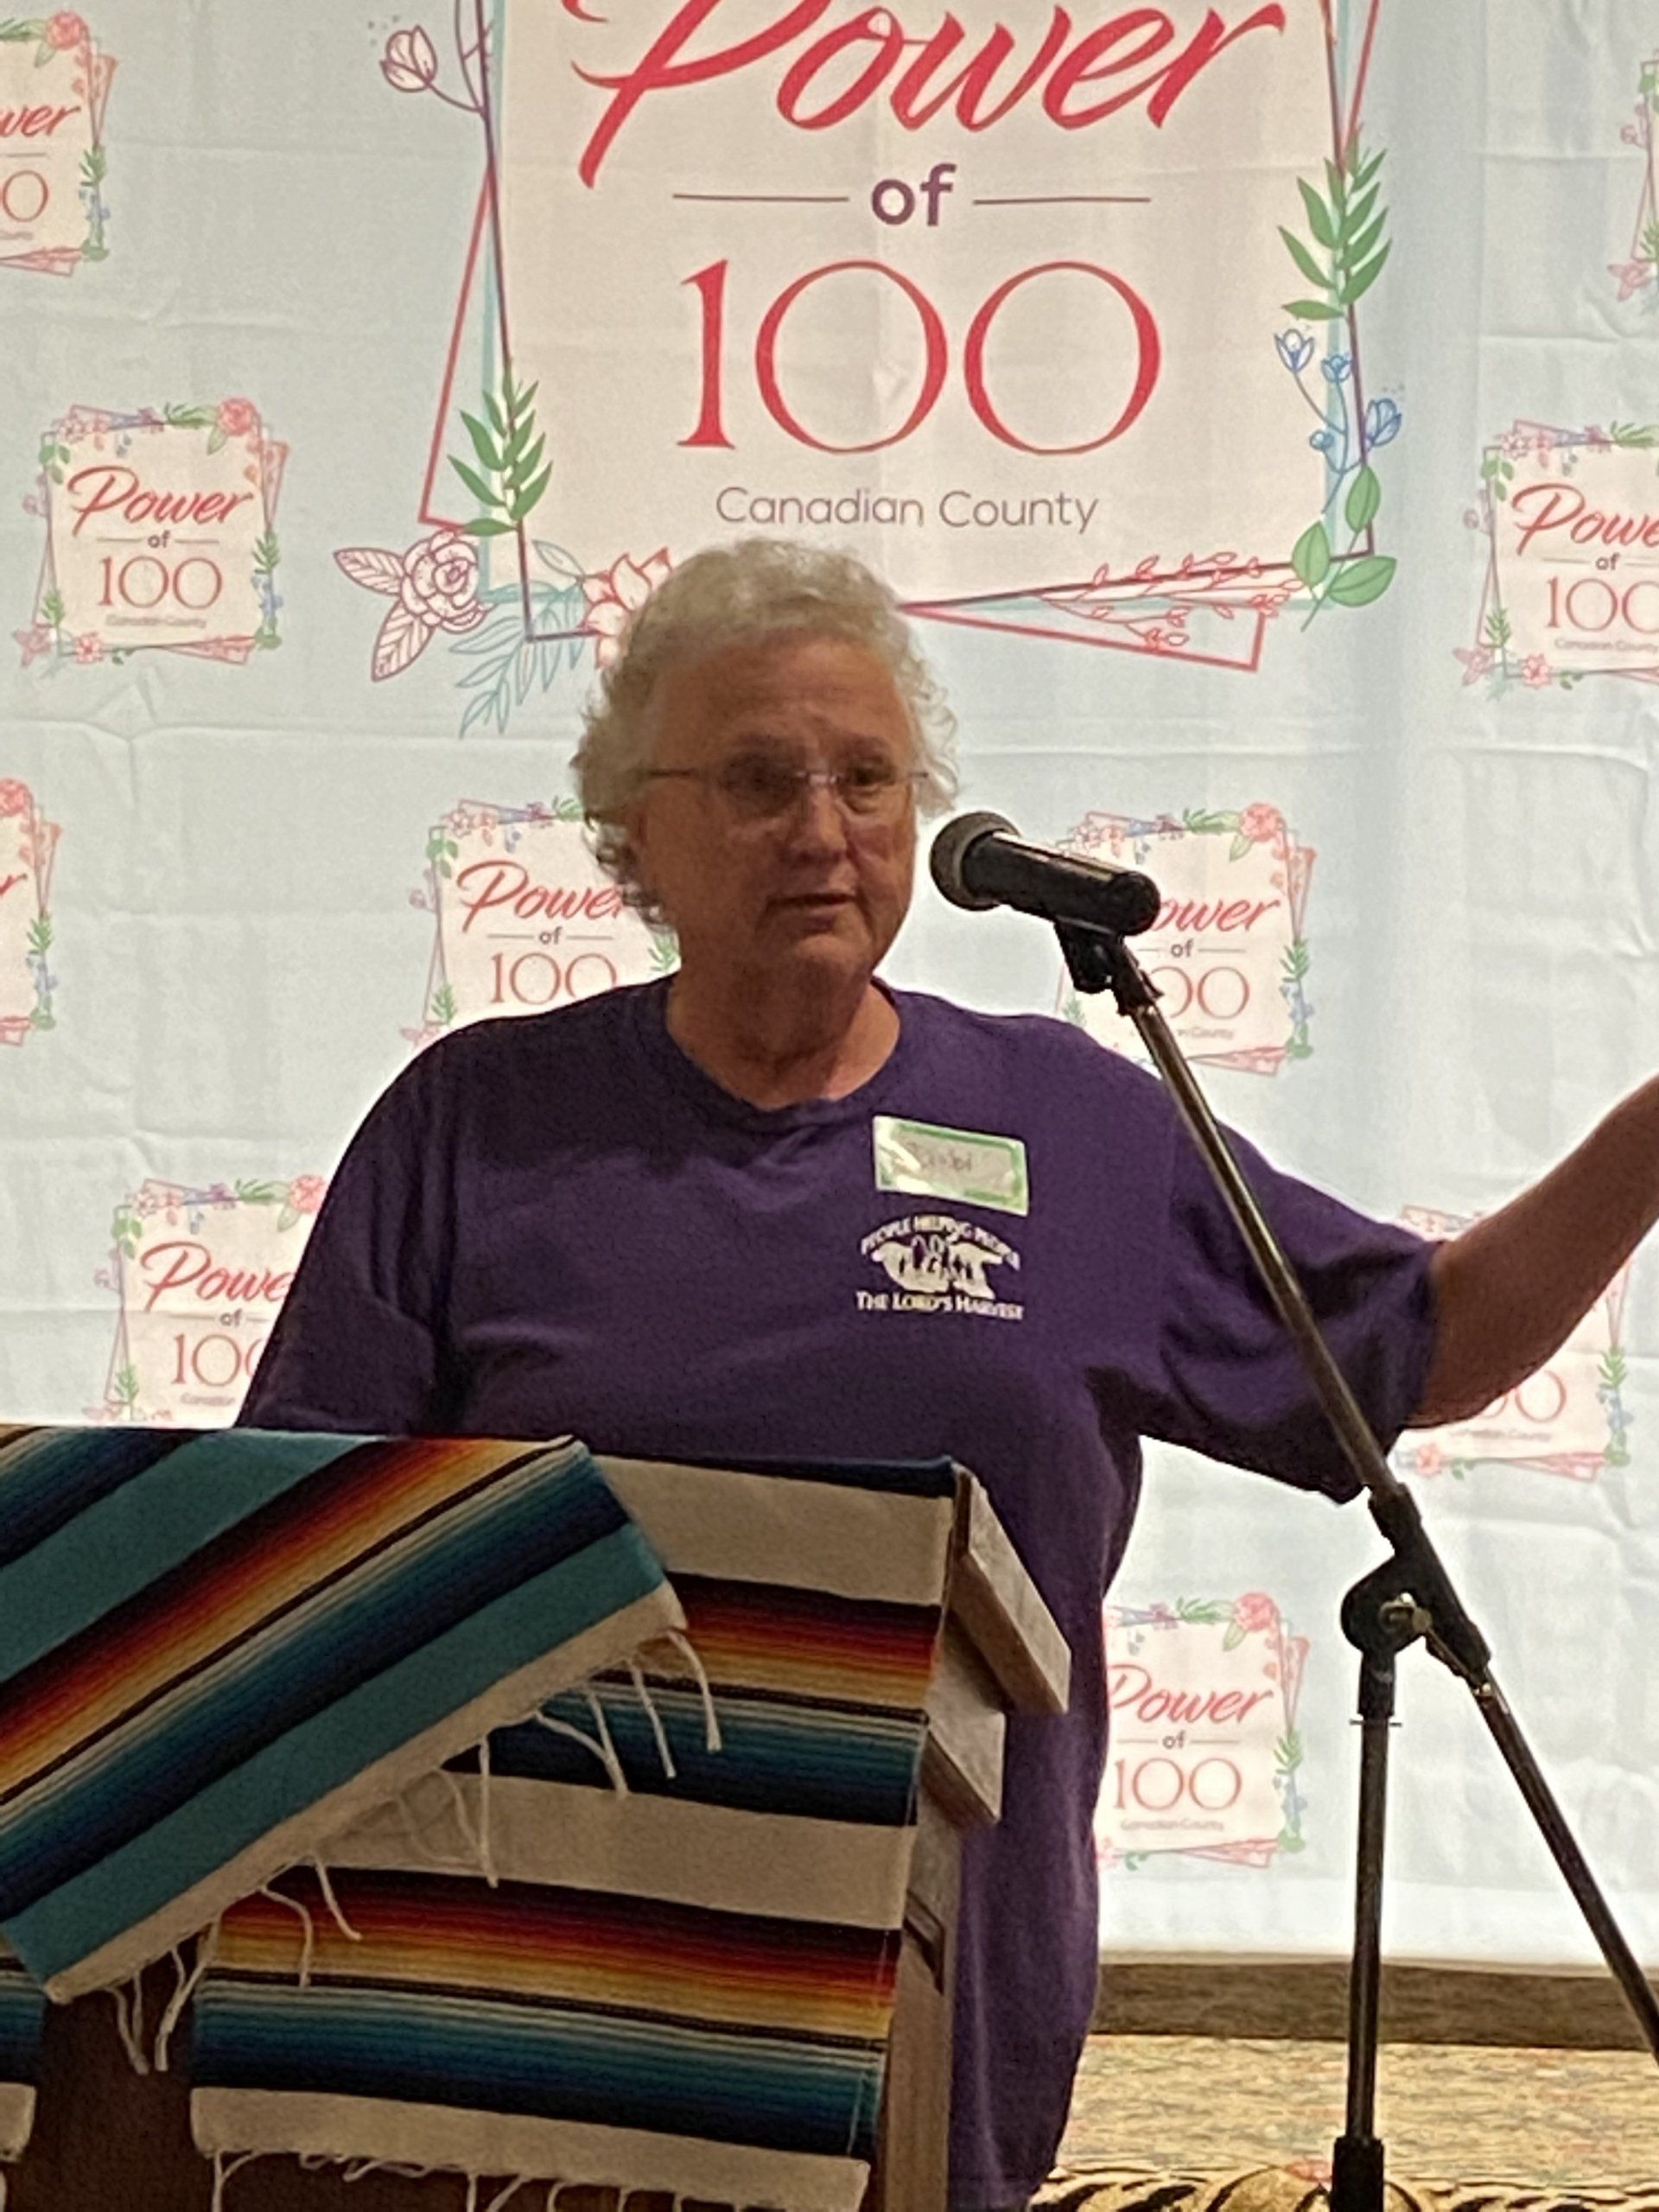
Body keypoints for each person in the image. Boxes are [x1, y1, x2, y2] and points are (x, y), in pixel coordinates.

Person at [241, 537, 1659, 2212]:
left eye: (868, 776)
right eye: (761, 778)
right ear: (635, 832)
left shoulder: (1081, 1122)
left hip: (948, 1962)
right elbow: (290, 1537)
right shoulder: (479, 1121)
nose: (825, 827)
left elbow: (1413, 1348)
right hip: (545, 1958)